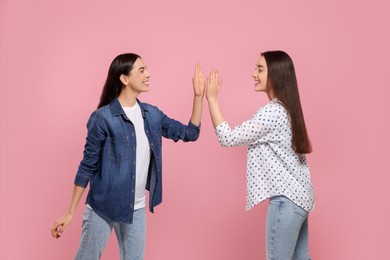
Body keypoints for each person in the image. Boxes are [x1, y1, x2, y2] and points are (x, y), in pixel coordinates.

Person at [51, 53, 205, 260]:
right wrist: (70, 212)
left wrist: (197, 97)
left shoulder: (152, 115)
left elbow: (190, 134)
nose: (148, 74)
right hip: (102, 208)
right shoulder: (102, 118)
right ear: (124, 79)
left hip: (136, 209)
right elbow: (87, 165)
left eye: (146, 69)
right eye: (141, 70)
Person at [205, 50, 315, 260]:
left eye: (260, 69)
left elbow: (228, 138)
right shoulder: (288, 108)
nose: (253, 74)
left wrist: (211, 99)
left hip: (287, 201)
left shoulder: (273, 112)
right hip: (301, 199)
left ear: (275, 74)